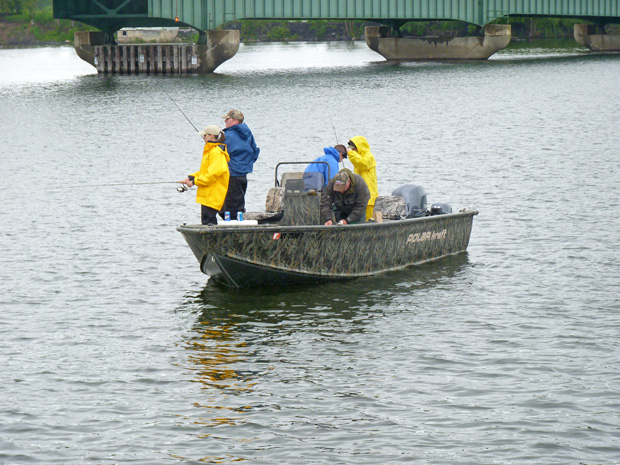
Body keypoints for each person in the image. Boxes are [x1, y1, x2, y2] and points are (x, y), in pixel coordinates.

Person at [182, 125, 230, 226]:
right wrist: (192, 177)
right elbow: (205, 172)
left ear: (211, 136)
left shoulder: (216, 152)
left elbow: (211, 175)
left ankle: (214, 241)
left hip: (213, 194)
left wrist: (195, 182)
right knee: (206, 221)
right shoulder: (210, 151)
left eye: (204, 136)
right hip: (208, 194)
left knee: (209, 222)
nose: (203, 138)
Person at [219, 109, 260, 219]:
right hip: (243, 174)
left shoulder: (227, 135)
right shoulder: (248, 134)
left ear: (235, 121)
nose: (225, 122)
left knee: (227, 205)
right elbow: (255, 152)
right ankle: (238, 221)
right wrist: (245, 164)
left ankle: (231, 227)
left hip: (231, 174)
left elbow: (219, 154)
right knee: (238, 203)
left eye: (227, 119)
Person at [346, 136, 378, 221]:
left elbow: (363, 164)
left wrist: (350, 154)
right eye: (351, 150)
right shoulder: (357, 157)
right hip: (360, 195)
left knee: (367, 220)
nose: (353, 151)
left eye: (354, 149)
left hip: (369, 197)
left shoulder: (369, 156)